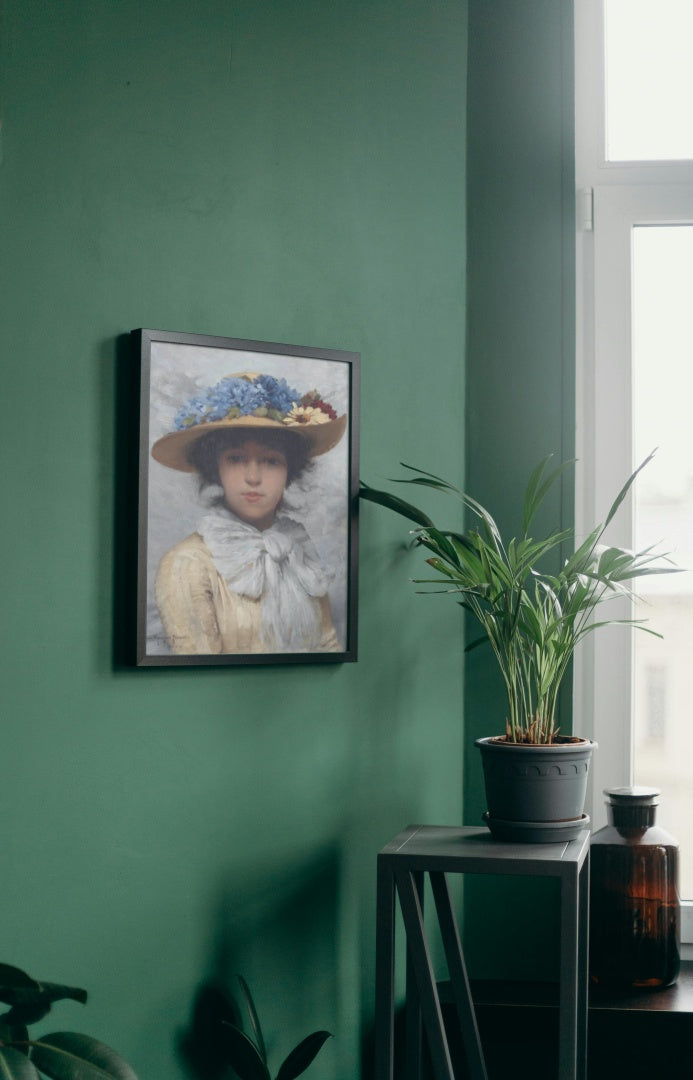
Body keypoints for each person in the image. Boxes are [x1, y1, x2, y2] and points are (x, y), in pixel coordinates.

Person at [151, 371, 347, 655]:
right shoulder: (186, 563)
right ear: (215, 469)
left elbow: (328, 648)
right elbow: (197, 676)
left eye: (270, 461)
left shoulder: (295, 551)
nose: (253, 477)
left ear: (289, 472)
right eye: (236, 459)